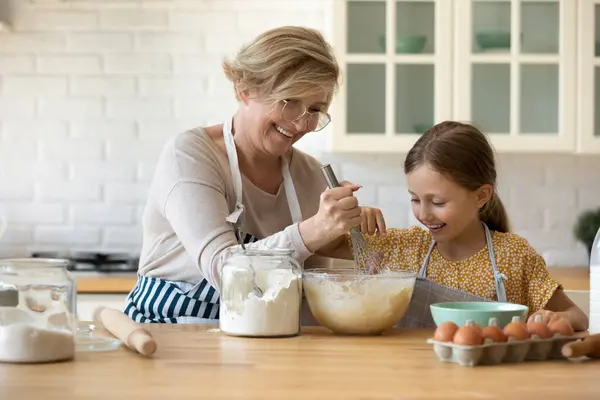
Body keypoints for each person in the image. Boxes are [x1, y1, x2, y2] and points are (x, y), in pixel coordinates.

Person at [124, 26, 372, 323]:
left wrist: (348, 240)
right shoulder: (191, 155)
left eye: (316, 109)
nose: (301, 123)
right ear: (245, 89)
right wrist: (316, 229)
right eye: (289, 101)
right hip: (169, 339)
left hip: (264, 341)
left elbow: (309, 290)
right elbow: (224, 270)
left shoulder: (310, 175)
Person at [322, 121, 589, 332]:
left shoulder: (515, 255)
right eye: (415, 199)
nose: (423, 214)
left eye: (437, 202)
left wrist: (552, 318)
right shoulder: (404, 247)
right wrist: (348, 219)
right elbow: (323, 246)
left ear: (482, 196)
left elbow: (577, 317)